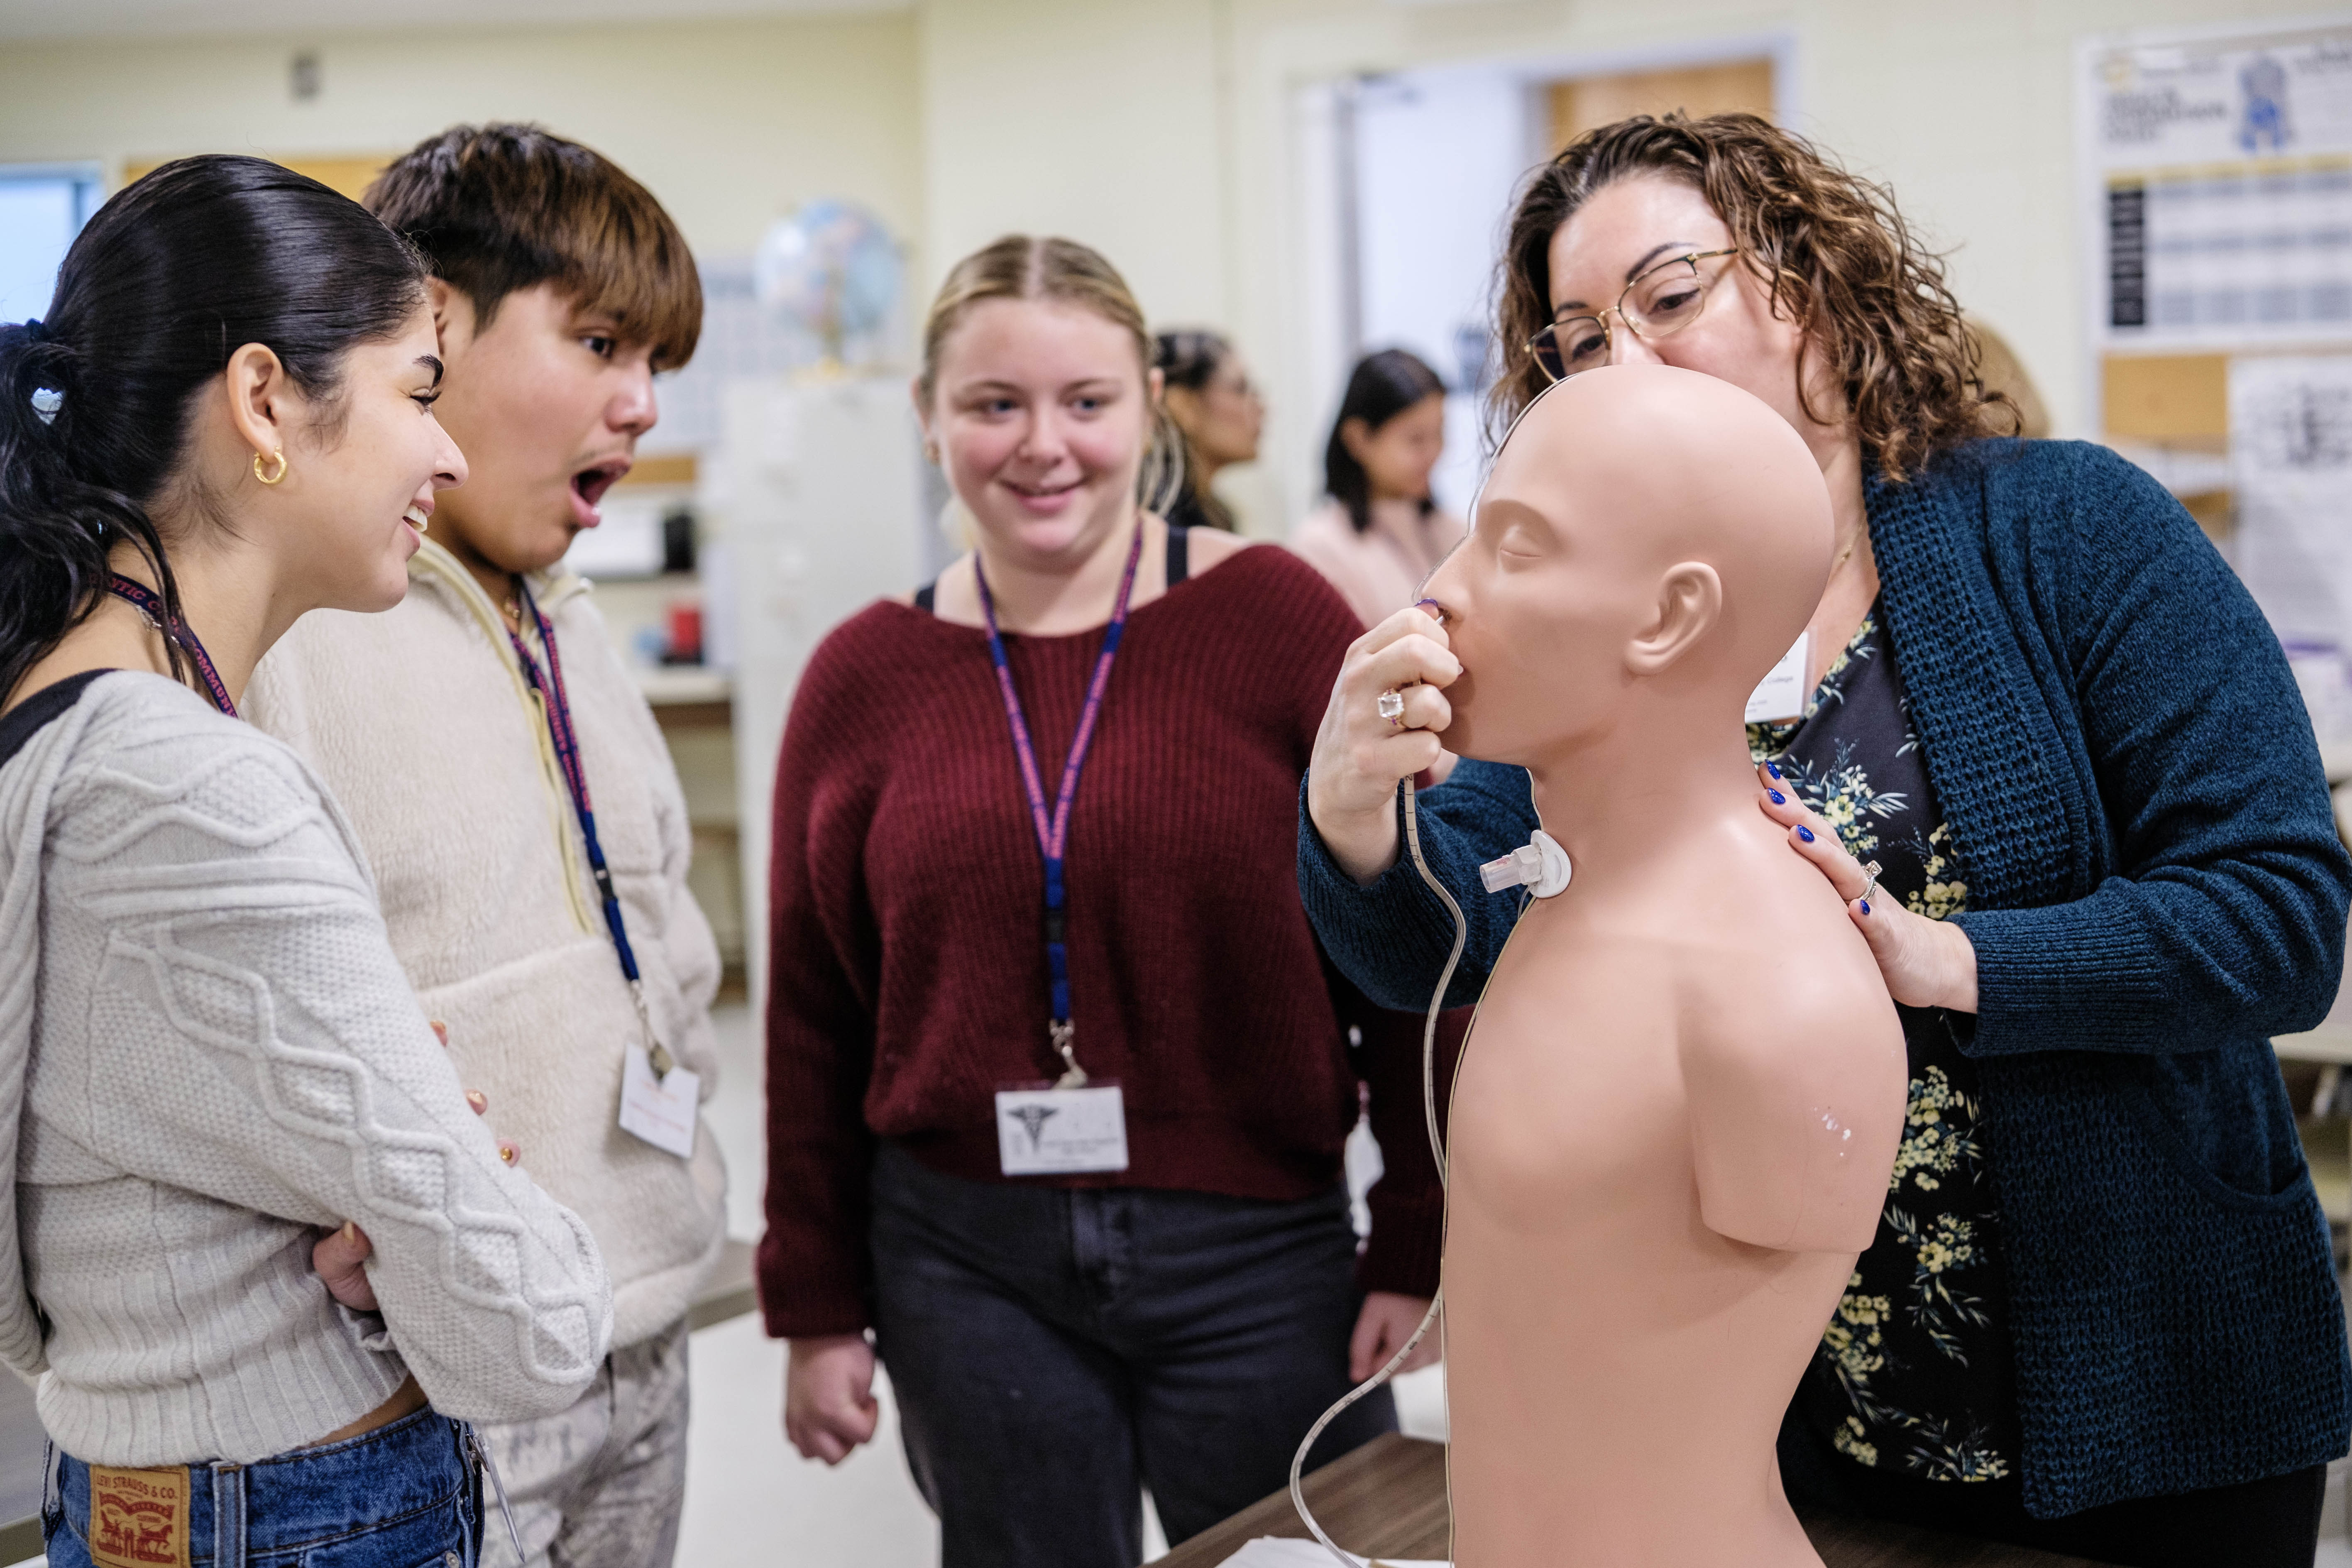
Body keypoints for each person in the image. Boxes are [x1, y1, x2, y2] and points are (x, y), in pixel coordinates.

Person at [1297, 113, 2352, 1568]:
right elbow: (1432, 938)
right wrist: (1353, 817)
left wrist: (1949, 957)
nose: (1627, 361)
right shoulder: (1603, 612)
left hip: (2144, 1387)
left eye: (1670, 297)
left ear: (1810, 281)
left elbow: (2280, 920)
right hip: (1796, 1423)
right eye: (1573, 338)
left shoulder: (2061, 531)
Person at [760, 235, 1440, 1568]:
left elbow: (1402, 944)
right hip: (967, 1262)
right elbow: (809, 1019)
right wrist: (816, 1303)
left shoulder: (1276, 619)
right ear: (928, 417)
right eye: (992, 404)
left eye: (1085, 401)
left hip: (1257, 1251)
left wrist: (1416, 1235)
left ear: (1146, 404)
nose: (1042, 446)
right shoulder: (859, 678)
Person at [0, 155, 611, 1568]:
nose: (445, 456)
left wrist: (384, 1207)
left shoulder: (52, 720)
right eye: (416, 390)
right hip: (302, 1512)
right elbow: (535, 1328)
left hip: (169, 1483)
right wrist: (434, 1222)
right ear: (266, 400)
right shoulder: (191, 788)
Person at [242, 124, 720, 1568]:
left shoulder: (564, 612)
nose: (638, 405)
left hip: (645, 1330)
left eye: (655, 365)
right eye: (596, 343)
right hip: (430, 1379)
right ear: (430, 323)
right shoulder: (292, 625)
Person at [1289, 347, 1464, 630]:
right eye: (1416, 439)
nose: (1435, 452)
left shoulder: (1455, 530)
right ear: (1358, 439)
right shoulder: (1321, 546)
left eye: (1440, 433)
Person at [1154, 327, 1263, 531]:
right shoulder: (1162, 524)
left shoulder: (1216, 514)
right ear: (1183, 406)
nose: (1262, 407)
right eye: (1241, 389)